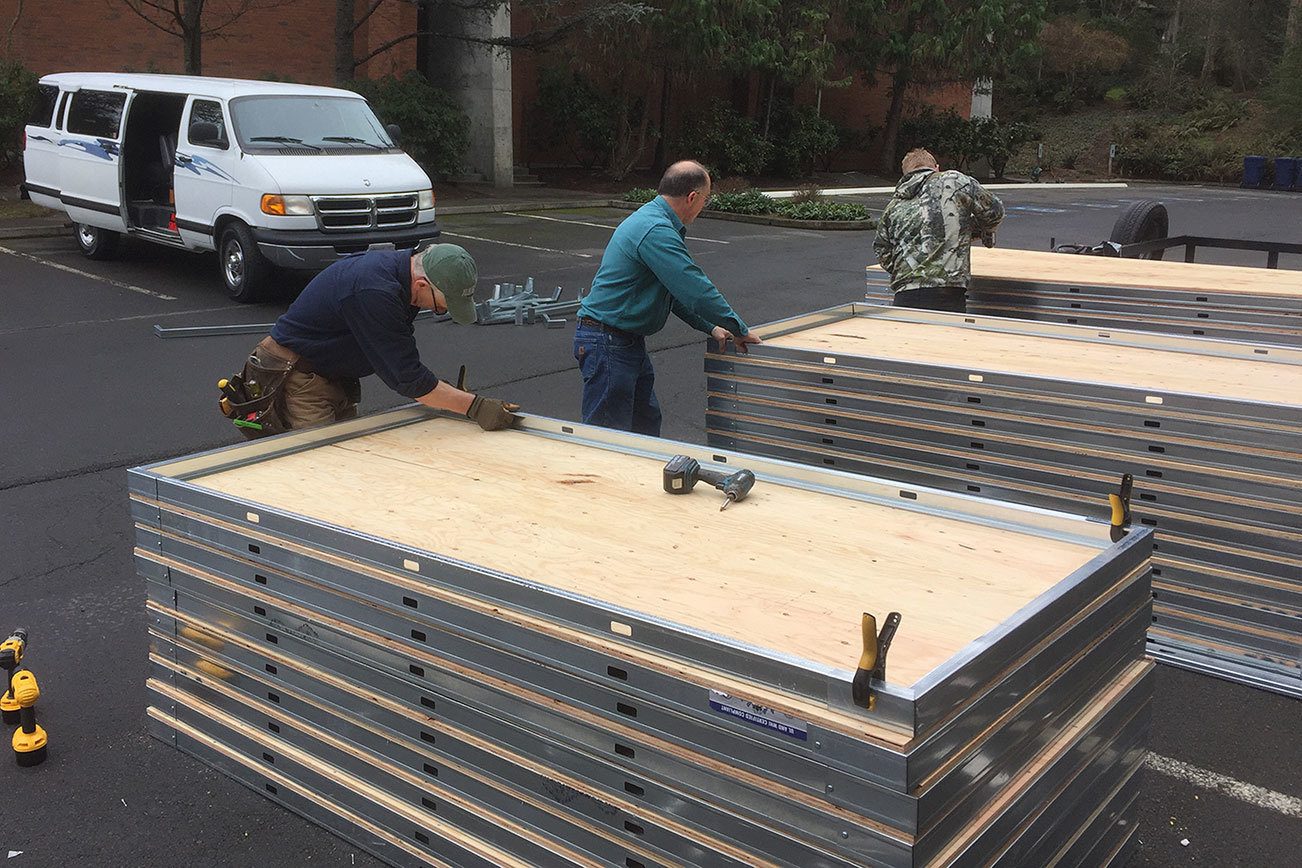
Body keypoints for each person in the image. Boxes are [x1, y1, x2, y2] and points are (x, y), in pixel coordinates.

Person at [228, 244, 518, 435]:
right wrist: (475, 406)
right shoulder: (375, 292)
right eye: (441, 306)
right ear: (421, 284)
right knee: (320, 466)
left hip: (331, 375)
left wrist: (444, 394)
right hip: (298, 377)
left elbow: (399, 356)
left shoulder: (402, 277)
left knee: (352, 455)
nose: (438, 311)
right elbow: (409, 380)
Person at [574, 160, 760, 436]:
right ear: (692, 197)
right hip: (608, 342)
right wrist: (739, 329)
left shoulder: (656, 223)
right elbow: (695, 289)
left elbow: (674, 292)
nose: (704, 206)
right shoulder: (655, 230)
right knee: (608, 437)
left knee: (645, 426)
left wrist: (711, 327)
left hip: (624, 342)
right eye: (706, 199)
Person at [872, 148, 1005, 313]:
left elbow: (882, 251)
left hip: (904, 296)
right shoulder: (954, 181)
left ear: (905, 175)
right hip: (946, 294)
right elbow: (995, 211)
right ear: (936, 168)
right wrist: (975, 230)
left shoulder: (893, 206)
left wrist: (909, 271)